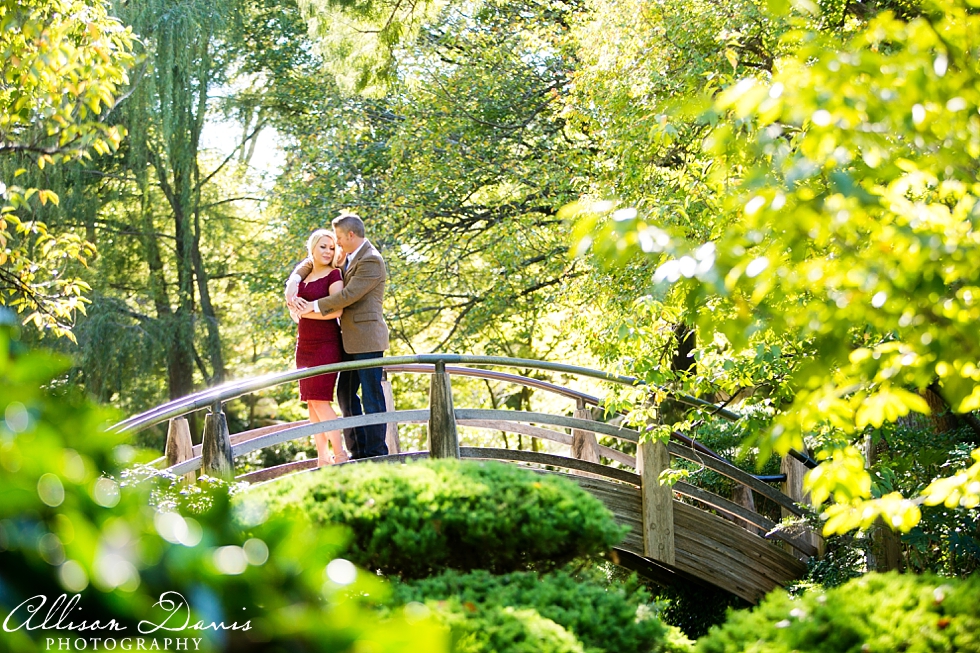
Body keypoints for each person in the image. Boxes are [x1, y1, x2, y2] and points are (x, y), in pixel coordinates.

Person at [286, 213, 390, 459]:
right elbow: (312, 260)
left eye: (339, 239)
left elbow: (347, 296)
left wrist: (308, 307)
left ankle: (377, 454)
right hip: (347, 340)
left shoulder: (371, 260)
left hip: (366, 339)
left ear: (350, 235)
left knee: (372, 396)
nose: (337, 244)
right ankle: (357, 451)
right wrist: (294, 279)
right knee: (345, 394)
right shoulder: (347, 256)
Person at [291, 229, 348, 466]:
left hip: (326, 344)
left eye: (332, 248)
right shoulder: (303, 277)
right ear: (312, 248)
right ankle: (322, 456)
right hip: (304, 345)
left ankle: (340, 454)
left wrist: (304, 312)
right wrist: (295, 306)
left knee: (321, 401)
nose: (328, 251)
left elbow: (337, 310)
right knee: (312, 402)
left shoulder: (334, 275)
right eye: (323, 246)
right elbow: (294, 306)